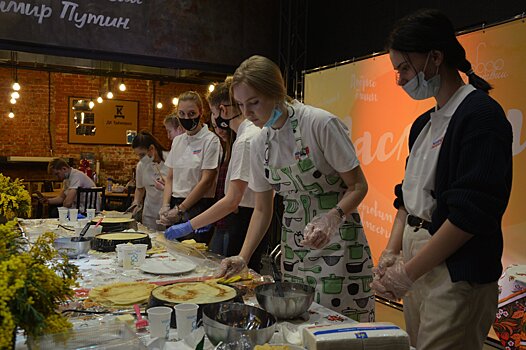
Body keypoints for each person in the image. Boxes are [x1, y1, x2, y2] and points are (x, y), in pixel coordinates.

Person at [370, 9, 513, 349]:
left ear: (435, 57)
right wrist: (392, 252)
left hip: (457, 268)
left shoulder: (481, 116)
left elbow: (471, 212)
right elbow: (407, 197)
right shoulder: (424, 123)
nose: (401, 79)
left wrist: (407, 273)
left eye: (405, 68)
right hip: (419, 261)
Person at [215, 55, 374, 320]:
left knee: (338, 326)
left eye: (254, 102)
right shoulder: (259, 143)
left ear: (277, 92)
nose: (247, 113)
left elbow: (358, 185)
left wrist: (332, 217)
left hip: (340, 242)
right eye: (241, 105)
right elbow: (263, 210)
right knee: (302, 321)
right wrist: (243, 257)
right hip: (294, 246)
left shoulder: (320, 124)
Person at [165, 79, 267, 273]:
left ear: (223, 110)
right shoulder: (250, 135)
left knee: (239, 278)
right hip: (248, 214)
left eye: (212, 113)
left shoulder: (245, 140)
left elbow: (232, 200)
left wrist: (189, 225)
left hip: (245, 217)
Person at [159, 91, 222, 244]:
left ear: (201, 112)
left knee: (194, 256)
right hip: (176, 202)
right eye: (182, 114)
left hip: (197, 205)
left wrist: (181, 209)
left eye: (191, 113)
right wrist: (166, 205)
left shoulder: (210, 140)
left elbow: (206, 181)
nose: (186, 118)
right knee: (172, 252)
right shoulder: (178, 140)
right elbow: (170, 177)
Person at [128, 130, 169, 230]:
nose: (140, 158)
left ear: (151, 148)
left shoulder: (170, 159)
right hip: (149, 213)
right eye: (138, 155)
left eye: (142, 154)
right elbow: (140, 188)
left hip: (167, 212)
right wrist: (136, 203)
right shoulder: (141, 166)